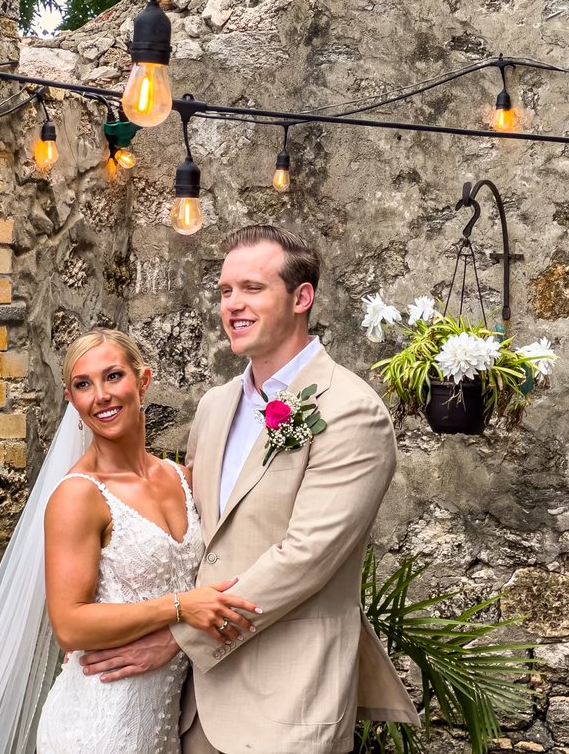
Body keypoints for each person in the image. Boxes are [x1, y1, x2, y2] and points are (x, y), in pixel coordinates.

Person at [79, 226, 418, 754]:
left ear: (301, 297)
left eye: (252, 289)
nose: (233, 305)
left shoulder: (351, 410)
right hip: (194, 707)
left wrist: (173, 638)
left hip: (288, 702)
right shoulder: (214, 406)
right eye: (225, 291)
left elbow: (305, 558)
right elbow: (198, 537)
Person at [0, 329, 259, 754]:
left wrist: (179, 633)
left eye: (113, 376)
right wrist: (180, 607)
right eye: (83, 385)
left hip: (164, 723)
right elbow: (69, 625)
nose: (100, 395)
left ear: (144, 379)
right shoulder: (78, 496)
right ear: (71, 400)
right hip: (98, 727)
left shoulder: (182, 478)